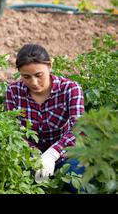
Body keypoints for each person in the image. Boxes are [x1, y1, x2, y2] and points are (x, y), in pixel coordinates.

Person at [5, 44, 85, 192]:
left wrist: (52, 154)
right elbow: (13, 130)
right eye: (26, 77)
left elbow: (79, 129)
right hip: (28, 156)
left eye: (38, 75)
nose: (33, 83)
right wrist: (35, 157)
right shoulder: (13, 91)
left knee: (76, 183)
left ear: (50, 66)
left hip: (65, 153)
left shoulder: (70, 89)